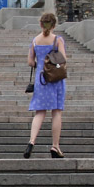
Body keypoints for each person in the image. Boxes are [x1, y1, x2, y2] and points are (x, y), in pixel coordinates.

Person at [25, 12, 67, 159]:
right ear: (54, 25)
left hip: (40, 79)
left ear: (41, 24)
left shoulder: (35, 41)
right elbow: (63, 59)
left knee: (40, 112)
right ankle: (55, 146)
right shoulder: (57, 40)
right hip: (55, 79)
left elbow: (30, 62)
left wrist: (40, 63)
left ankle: (31, 142)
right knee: (56, 111)